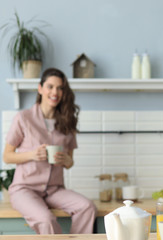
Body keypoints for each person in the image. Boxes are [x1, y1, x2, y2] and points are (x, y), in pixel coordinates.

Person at [3, 68, 97, 234]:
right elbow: (7, 156)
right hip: (25, 189)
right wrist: (32, 155)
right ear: (40, 88)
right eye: (50, 86)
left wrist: (67, 161)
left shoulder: (68, 122)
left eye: (60, 88)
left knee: (86, 207)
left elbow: (69, 162)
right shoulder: (24, 118)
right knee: (46, 219)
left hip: (54, 190)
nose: (55, 92)